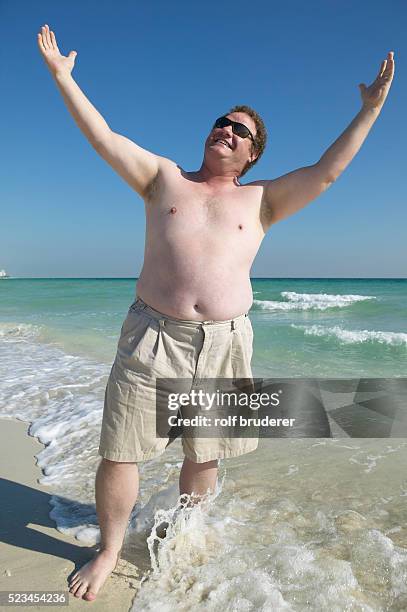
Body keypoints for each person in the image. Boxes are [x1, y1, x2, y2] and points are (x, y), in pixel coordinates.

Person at [37, 23, 395, 601]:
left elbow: (328, 172)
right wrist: (62, 78)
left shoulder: (263, 200)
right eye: (222, 122)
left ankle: (183, 535)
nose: (227, 130)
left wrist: (370, 109)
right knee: (121, 449)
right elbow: (102, 137)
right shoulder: (163, 178)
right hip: (154, 336)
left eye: (241, 131)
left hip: (226, 343)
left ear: (252, 154)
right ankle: (107, 550)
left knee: (205, 455)